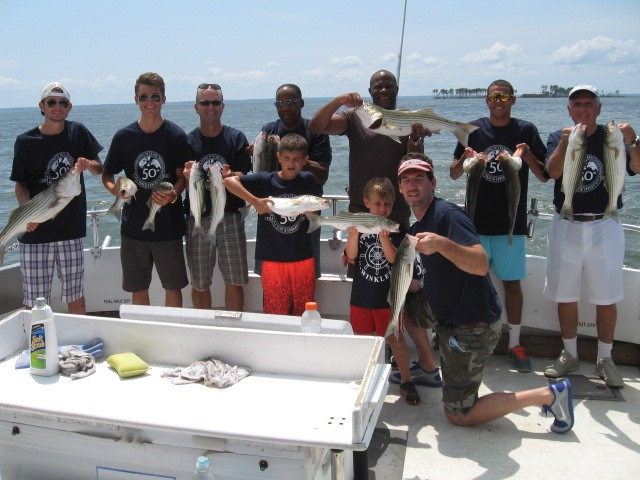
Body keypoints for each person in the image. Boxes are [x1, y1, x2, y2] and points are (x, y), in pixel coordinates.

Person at [397, 154, 574, 433]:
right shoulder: (418, 226)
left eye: (419, 177)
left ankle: (550, 395)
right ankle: (430, 369)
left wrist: (442, 244)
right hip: (445, 313)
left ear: (433, 182)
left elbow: (480, 264)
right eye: (405, 180)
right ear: (400, 189)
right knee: (403, 307)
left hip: (471, 327)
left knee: (459, 414)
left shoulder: (448, 215)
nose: (412, 184)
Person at [543, 85, 640, 388]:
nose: (582, 109)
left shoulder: (613, 137)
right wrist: (564, 141)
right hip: (566, 223)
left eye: (588, 104)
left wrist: (633, 141)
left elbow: (636, 167)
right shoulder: (558, 137)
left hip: (604, 224)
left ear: (598, 108)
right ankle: (569, 354)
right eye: (576, 105)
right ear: (568, 110)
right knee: (565, 294)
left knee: (606, 296)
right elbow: (554, 172)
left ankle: (606, 358)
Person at [449, 79, 548, 373]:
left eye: (504, 96)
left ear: (513, 100)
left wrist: (525, 154)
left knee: (512, 285)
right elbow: (454, 174)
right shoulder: (473, 130)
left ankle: (515, 343)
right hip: (474, 226)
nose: (499, 101)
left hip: (511, 227)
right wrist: (466, 159)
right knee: (471, 283)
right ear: (487, 100)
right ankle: (468, 339)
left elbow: (544, 176)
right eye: (493, 97)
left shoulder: (525, 130)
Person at [10, 82, 103, 314]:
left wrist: (86, 164)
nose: (57, 107)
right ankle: (37, 348)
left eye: (63, 103)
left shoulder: (78, 132)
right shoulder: (25, 141)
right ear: (42, 106)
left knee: (76, 295)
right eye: (51, 102)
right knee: (34, 301)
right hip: (35, 233)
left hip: (70, 232)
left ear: (69, 107)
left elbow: (99, 169)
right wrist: (26, 212)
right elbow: (20, 183)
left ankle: (78, 344)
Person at [102, 72, 189, 307]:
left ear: (164, 99)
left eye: (155, 97)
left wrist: (173, 194)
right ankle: (145, 337)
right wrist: (114, 191)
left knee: (173, 286)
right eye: (144, 97)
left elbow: (183, 177)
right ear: (135, 99)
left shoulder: (176, 135)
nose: (149, 102)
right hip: (133, 228)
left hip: (168, 227)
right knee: (138, 287)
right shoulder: (123, 137)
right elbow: (107, 174)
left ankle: (172, 335)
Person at [308, 69, 425, 229]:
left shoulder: (407, 119)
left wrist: (415, 137)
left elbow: (414, 162)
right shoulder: (354, 117)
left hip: (396, 208)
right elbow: (316, 126)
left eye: (389, 86)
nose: (384, 90)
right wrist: (338, 101)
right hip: (360, 208)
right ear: (370, 91)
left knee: (396, 254)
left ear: (397, 89)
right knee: (359, 254)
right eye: (378, 87)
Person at [345, 177, 422, 405]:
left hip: (388, 300)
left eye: (387, 205)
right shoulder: (359, 229)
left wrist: (385, 239)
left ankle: (406, 380)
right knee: (363, 340)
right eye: (377, 204)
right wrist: (352, 235)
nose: (382, 209)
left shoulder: (396, 231)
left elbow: (393, 260)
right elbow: (351, 257)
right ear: (367, 203)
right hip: (360, 297)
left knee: (395, 340)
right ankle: (366, 377)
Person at [223, 133, 319, 315]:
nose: (292, 163)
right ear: (278, 157)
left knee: (304, 311)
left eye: (297, 159)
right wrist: (255, 202)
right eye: (287, 158)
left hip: (303, 258)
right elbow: (228, 181)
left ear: (305, 160)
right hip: (272, 259)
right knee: (276, 311)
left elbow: (314, 215)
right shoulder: (265, 180)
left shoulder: (308, 180)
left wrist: (311, 212)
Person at [183, 83, 251, 311]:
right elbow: (183, 179)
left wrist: (232, 175)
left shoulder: (236, 137)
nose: (210, 107)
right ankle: (205, 331)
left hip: (231, 217)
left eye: (215, 102)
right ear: (196, 107)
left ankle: (234, 329)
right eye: (205, 102)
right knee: (200, 283)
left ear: (223, 107)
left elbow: (245, 173)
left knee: (235, 280)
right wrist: (185, 175)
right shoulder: (188, 141)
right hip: (198, 217)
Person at [255, 83, 332, 276]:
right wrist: (257, 152)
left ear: (302, 103)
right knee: (272, 273)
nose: (285, 107)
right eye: (280, 103)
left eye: (290, 102)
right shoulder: (268, 130)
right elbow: (260, 173)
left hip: (306, 213)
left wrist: (293, 157)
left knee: (306, 272)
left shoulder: (315, 130)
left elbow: (322, 175)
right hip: (274, 212)